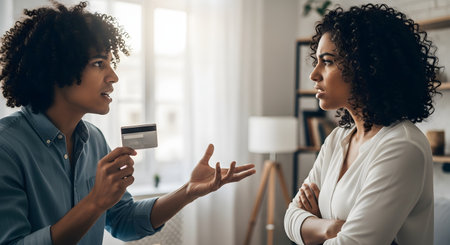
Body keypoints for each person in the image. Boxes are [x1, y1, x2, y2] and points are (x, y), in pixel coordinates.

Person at [0, 1, 256, 244]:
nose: (114, 77)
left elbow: (124, 221)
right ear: (57, 69)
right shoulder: (6, 147)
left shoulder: (94, 139)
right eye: (99, 64)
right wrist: (95, 202)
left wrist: (188, 191)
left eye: (110, 64)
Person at [284, 4, 440, 245]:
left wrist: (312, 224)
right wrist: (330, 229)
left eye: (327, 62)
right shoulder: (338, 138)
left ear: (366, 67)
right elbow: (290, 218)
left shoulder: (402, 146)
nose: (313, 75)